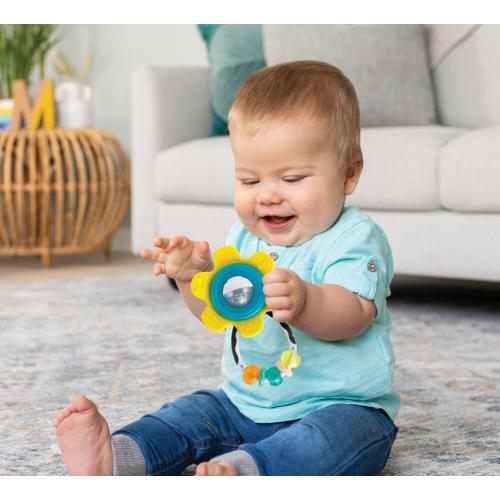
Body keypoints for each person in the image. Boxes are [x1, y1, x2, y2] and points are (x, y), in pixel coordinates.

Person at [54, 60, 399, 476]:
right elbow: (216, 312)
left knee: (341, 439)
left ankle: (249, 469)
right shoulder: (243, 239)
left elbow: (355, 315)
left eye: (291, 178)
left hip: (341, 406)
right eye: (250, 181)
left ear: (349, 173)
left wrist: (307, 301)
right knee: (192, 412)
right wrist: (191, 279)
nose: (267, 196)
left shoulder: (355, 238)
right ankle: (119, 454)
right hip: (243, 403)